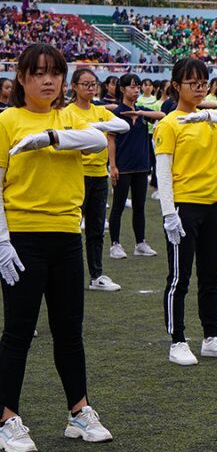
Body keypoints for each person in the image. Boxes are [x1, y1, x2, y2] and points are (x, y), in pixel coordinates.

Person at [0, 43, 112, 452]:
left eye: (55, 72)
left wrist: (49, 137)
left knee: (69, 332)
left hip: (66, 237)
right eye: (38, 72)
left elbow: (99, 141)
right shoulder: (7, 120)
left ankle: (78, 411)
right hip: (22, 239)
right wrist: (2, 242)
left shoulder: (69, 117)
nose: (48, 80)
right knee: (18, 333)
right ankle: (6, 418)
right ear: (22, 77)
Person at [153, 58, 217, 366]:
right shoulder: (169, 124)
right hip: (183, 207)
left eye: (204, 83)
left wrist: (208, 114)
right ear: (177, 86)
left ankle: (211, 336)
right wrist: (169, 213)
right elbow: (163, 172)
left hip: (214, 204)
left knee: (211, 276)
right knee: (180, 277)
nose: (200, 88)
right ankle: (177, 340)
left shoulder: (212, 119)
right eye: (193, 83)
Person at [65, 69, 130, 291]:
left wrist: (94, 126)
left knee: (96, 229)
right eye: (86, 84)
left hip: (99, 175)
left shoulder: (100, 111)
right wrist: (96, 128)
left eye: (94, 84)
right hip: (76, 175)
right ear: (74, 86)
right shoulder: (67, 113)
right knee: (72, 227)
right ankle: (68, 276)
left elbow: (123, 126)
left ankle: (96, 276)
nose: (91, 88)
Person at [108, 73, 164, 260]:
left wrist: (140, 113)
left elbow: (162, 115)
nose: (136, 90)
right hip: (123, 167)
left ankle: (140, 243)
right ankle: (115, 244)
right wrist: (113, 166)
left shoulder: (142, 112)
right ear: (122, 89)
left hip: (141, 166)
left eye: (138, 86)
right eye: (132, 86)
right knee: (118, 206)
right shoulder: (117, 113)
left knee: (139, 206)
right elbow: (111, 141)